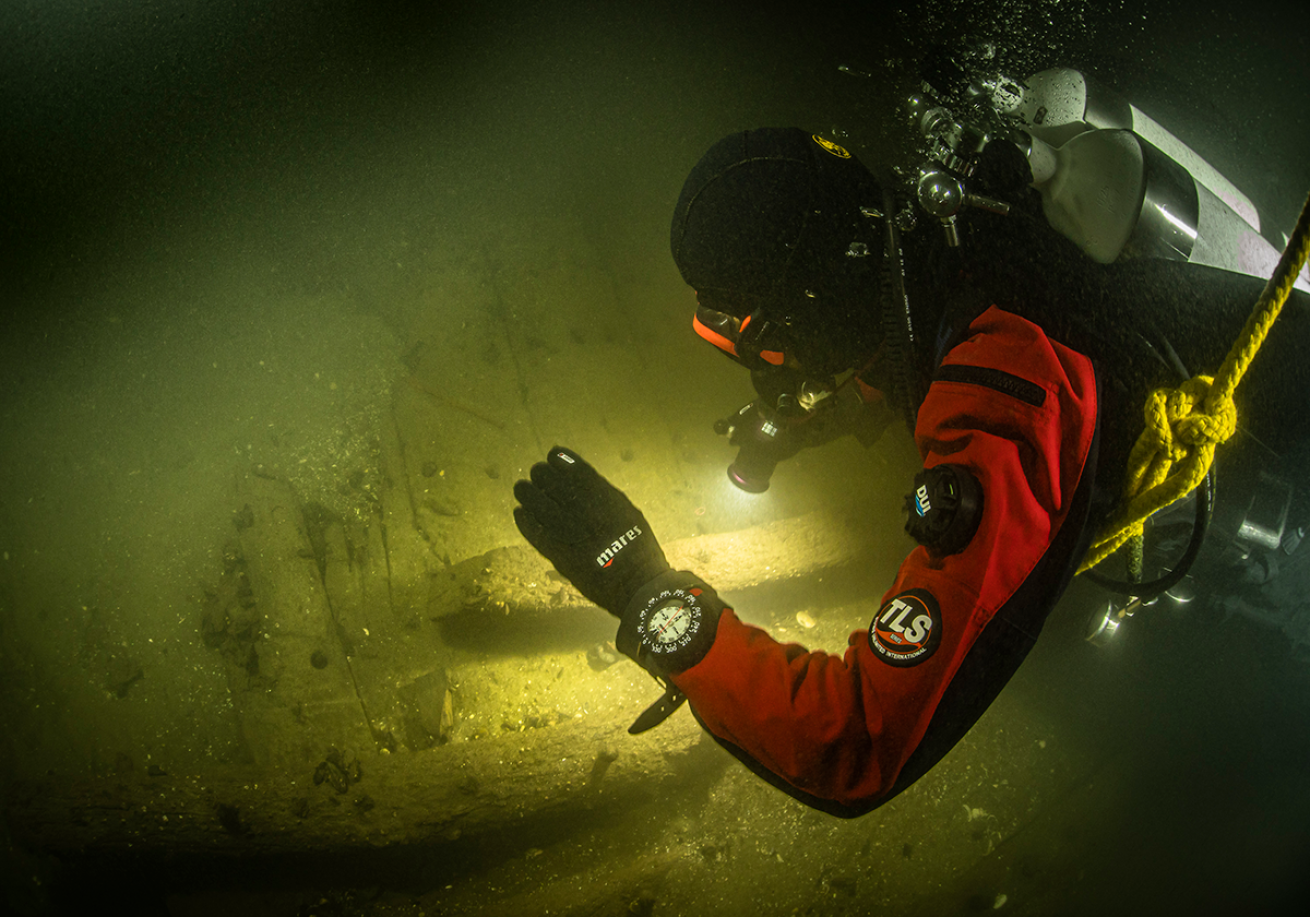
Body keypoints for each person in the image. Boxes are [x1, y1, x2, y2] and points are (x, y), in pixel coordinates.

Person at [512, 128, 1310, 816]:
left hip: (1227, 489)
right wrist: (782, 431)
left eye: (754, 332)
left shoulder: (1006, 392)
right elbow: (873, 372)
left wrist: (650, 596)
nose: (762, 362)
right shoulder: (934, 244)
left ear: (815, 299)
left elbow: (859, 740)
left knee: (1051, 671)